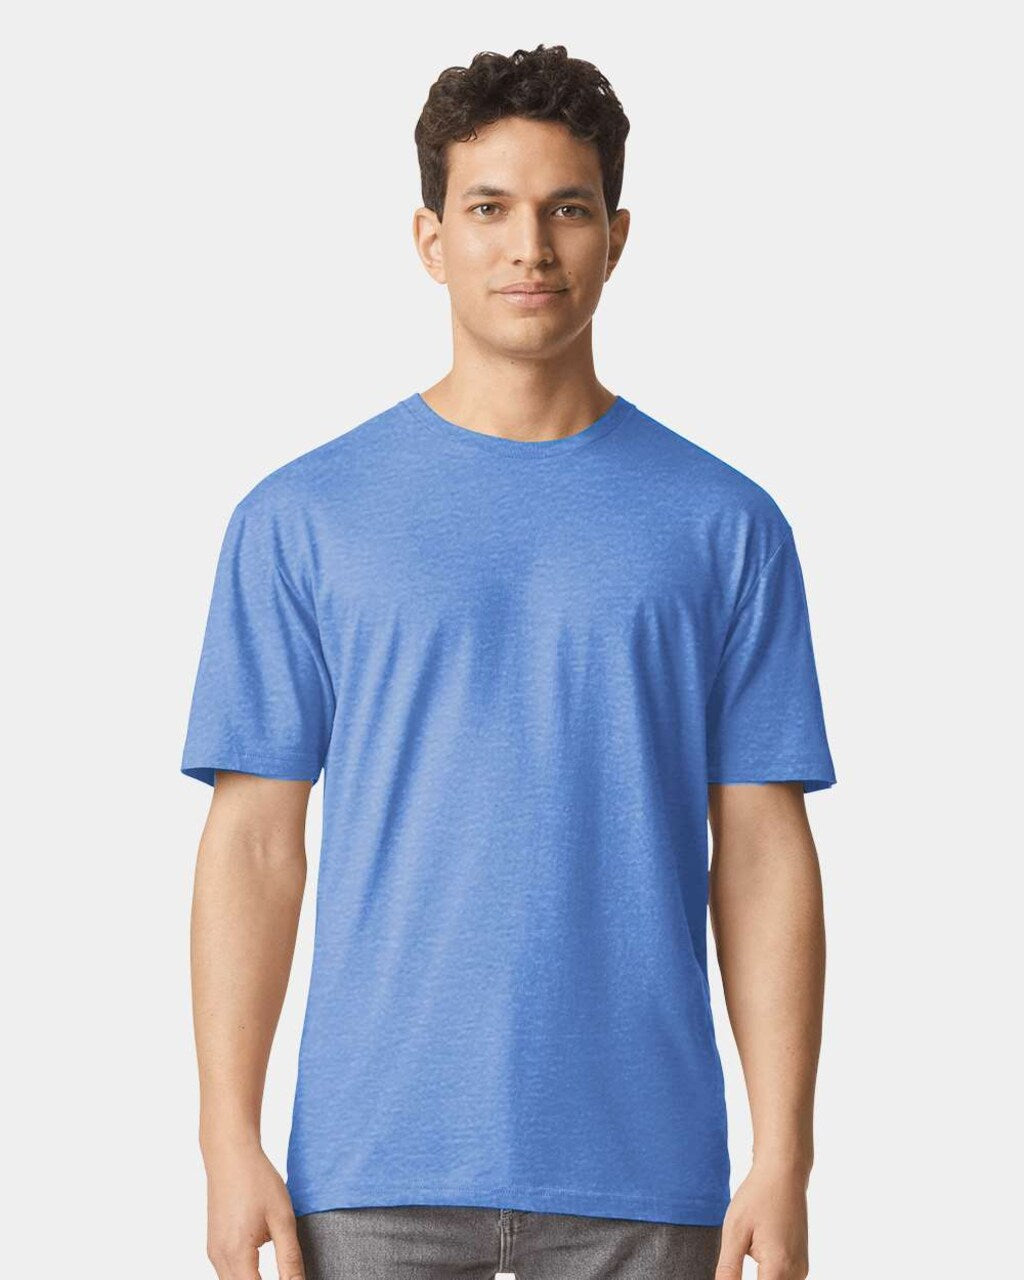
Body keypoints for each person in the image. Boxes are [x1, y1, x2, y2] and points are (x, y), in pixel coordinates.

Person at [182, 43, 837, 1280]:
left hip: (645, 1168)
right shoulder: (302, 518)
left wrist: (783, 1156)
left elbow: (760, 849)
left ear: (616, 236)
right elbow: (255, 841)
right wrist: (227, 1138)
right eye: (488, 208)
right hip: (370, 1165)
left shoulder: (725, 525)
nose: (528, 247)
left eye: (566, 209)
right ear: (430, 239)